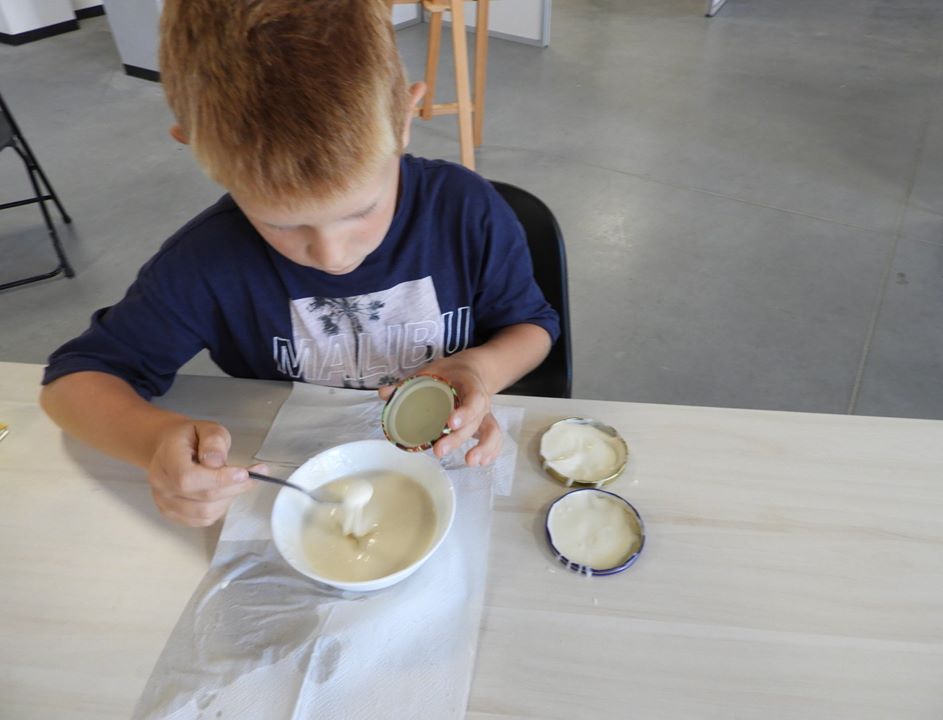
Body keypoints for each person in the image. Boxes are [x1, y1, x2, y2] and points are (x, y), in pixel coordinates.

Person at [39, 0, 559, 528]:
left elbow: (532, 327)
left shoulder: (466, 213)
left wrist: (481, 369)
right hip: (298, 475)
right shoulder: (207, 263)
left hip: (456, 463)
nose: (333, 256)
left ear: (405, 120)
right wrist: (153, 442)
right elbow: (71, 384)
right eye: (281, 224)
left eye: (361, 211)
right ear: (196, 148)